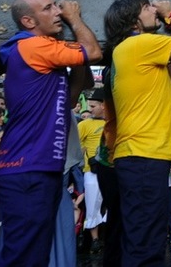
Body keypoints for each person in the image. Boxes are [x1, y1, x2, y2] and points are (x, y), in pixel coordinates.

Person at [0, 0, 102, 267]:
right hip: (27, 167)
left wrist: (74, 53)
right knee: (23, 256)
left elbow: (75, 94)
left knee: (36, 252)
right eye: (49, 8)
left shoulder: (46, 58)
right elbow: (94, 51)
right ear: (28, 21)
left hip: (40, 168)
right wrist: (75, 19)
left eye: (57, 6)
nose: (59, 11)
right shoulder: (33, 46)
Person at [104, 0, 171, 266]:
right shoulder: (139, 44)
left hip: (143, 157)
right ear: (135, 19)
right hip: (143, 156)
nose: (154, 10)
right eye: (148, 7)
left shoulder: (131, 50)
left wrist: (170, 51)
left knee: (142, 237)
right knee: (145, 244)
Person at [78, 88, 107, 254]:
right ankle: (95, 240)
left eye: (93, 106)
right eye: (89, 106)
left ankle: (106, 237)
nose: (90, 110)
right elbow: (77, 148)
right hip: (91, 172)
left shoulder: (112, 122)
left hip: (110, 170)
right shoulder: (84, 125)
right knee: (92, 206)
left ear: (103, 106)